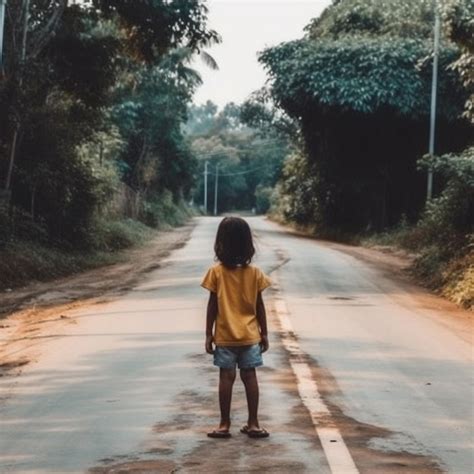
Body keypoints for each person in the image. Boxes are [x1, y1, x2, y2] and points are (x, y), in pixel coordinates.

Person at [201, 216, 271, 439]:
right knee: (250, 377)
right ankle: (254, 423)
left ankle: (224, 424)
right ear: (248, 244)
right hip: (250, 337)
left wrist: (208, 334)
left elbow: (212, 306)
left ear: (220, 243)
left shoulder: (216, 273)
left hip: (225, 337)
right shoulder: (255, 274)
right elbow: (260, 306)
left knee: (226, 379)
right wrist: (264, 333)